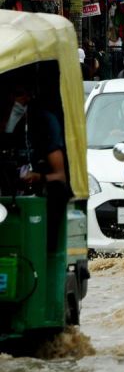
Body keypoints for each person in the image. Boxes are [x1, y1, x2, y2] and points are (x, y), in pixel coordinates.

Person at [1, 76, 68, 249]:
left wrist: (38, 177)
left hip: (36, 201)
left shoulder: (43, 123)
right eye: (13, 96)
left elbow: (60, 176)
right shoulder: (5, 120)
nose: (17, 101)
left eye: (20, 95)